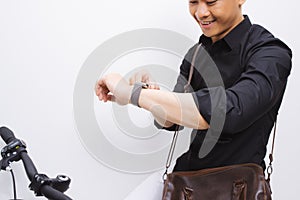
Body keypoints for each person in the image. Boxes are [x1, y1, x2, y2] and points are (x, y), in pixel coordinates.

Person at [95, 0, 292, 173]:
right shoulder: (196, 54)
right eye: (193, 1)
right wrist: (149, 93)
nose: (200, 13)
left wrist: (132, 94)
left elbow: (227, 113)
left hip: (237, 188)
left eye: (211, 1)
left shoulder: (270, 52)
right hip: (187, 181)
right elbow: (171, 121)